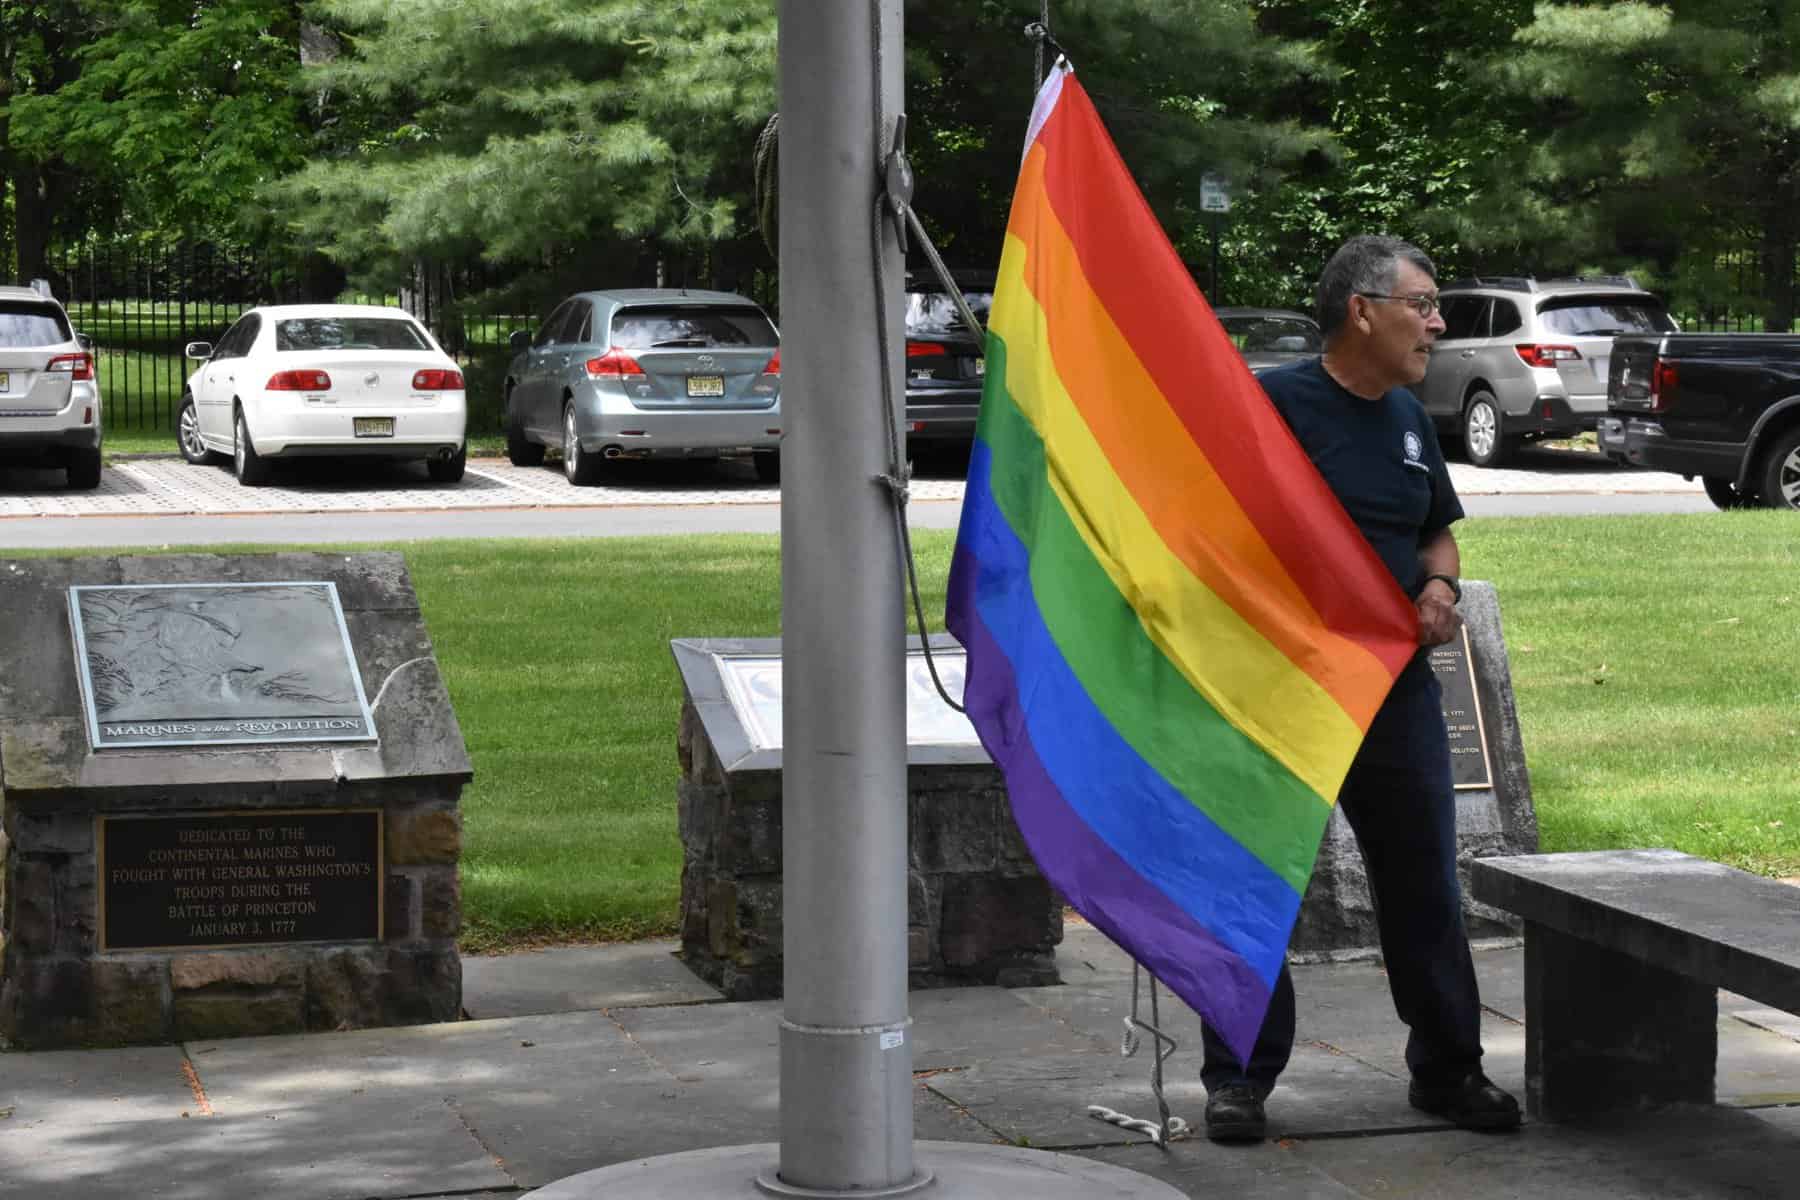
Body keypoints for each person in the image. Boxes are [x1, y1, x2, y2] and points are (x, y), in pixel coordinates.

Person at [1201, 235, 1522, 1142]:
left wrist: (1439, 588)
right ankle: (1238, 1080)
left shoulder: (1411, 419)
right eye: (1421, 303)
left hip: (1394, 690)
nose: (1437, 320)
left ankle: (1450, 1071)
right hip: (1280, 685)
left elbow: (1436, 536)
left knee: (1424, 879)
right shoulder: (1272, 407)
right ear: (1362, 311)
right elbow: (1212, 534)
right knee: (1256, 881)